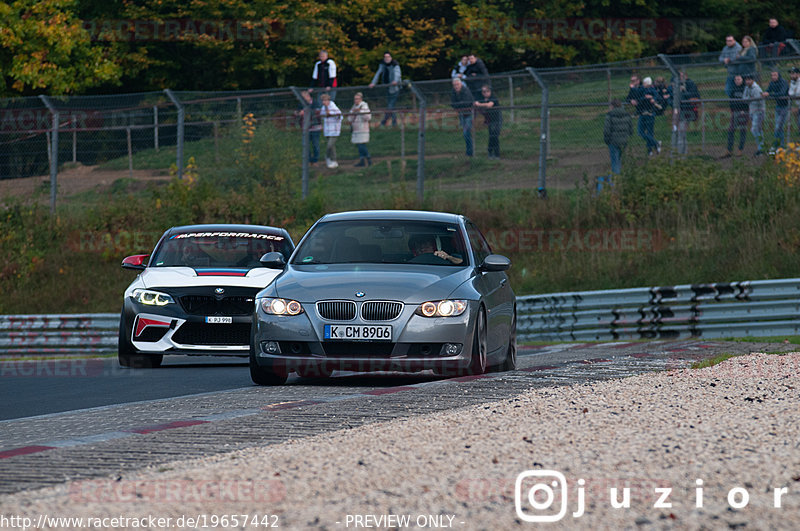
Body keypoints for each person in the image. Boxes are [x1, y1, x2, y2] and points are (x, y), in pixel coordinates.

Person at [669, 70, 701, 155]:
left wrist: (684, 91)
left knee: (681, 133)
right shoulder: (675, 82)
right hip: (677, 112)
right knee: (676, 132)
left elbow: (693, 97)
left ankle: (681, 155)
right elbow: (671, 97)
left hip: (686, 111)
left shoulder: (690, 83)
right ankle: (679, 153)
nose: (680, 77)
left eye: (682, 75)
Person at [628, 76, 662, 156]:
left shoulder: (652, 90)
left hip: (650, 114)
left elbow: (658, 97)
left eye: (645, 83)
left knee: (650, 132)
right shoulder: (641, 89)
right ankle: (656, 143)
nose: (643, 84)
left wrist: (653, 98)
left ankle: (650, 150)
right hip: (642, 113)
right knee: (640, 132)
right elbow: (633, 96)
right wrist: (631, 100)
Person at [368, 51, 402, 127]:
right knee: (391, 106)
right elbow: (378, 73)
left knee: (390, 105)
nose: (386, 58)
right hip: (387, 87)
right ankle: (394, 122)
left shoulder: (395, 65)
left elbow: (397, 73)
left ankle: (384, 122)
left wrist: (395, 81)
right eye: (385, 57)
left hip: (395, 88)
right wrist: (373, 83)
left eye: (388, 57)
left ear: (391, 57)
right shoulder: (382, 65)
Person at [603, 99, 632, 176]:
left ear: (612, 106)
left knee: (615, 161)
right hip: (624, 141)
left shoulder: (610, 115)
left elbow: (606, 130)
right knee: (619, 159)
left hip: (613, 141)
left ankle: (616, 178)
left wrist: (607, 140)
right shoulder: (627, 115)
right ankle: (622, 176)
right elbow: (630, 129)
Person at [763, 70, 790, 153]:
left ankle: (776, 145)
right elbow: (768, 89)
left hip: (785, 107)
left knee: (778, 126)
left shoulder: (784, 82)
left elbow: (782, 93)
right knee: (779, 127)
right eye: (772, 75)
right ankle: (781, 146)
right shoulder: (772, 83)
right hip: (778, 106)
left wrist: (770, 94)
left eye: (775, 75)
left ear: (778, 75)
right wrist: (766, 92)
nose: (773, 77)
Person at [474, 85, 502, 159]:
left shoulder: (493, 98)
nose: (485, 93)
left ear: (490, 91)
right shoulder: (482, 99)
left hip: (497, 119)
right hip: (490, 120)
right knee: (491, 136)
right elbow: (475, 103)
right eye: (483, 92)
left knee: (495, 136)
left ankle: (496, 154)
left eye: (487, 91)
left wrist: (479, 104)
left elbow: (489, 105)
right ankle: (490, 152)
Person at [295, 90, 322, 165]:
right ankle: (309, 160)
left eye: (303, 98)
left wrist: (306, 111)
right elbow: (296, 112)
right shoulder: (301, 104)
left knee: (315, 144)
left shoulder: (315, 103)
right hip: (306, 128)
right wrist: (298, 113)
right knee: (306, 145)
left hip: (315, 127)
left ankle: (315, 160)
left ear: (307, 96)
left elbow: (317, 112)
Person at [724, 75, 748, 157]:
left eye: (739, 79)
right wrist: (732, 110)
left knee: (742, 131)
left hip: (743, 112)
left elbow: (747, 101)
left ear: (742, 80)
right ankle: (729, 150)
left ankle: (740, 150)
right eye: (736, 79)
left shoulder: (745, 88)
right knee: (731, 130)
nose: (737, 81)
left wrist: (744, 110)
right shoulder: (733, 89)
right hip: (735, 112)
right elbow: (731, 101)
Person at [450, 78, 475, 158]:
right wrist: (459, 105)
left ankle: (470, 152)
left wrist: (459, 105)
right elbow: (453, 104)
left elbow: (467, 103)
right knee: (465, 134)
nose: (456, 86)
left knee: (466, 133)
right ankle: (469, 151)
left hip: (468, 114)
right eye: (454, 85)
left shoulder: (465, 91)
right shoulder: (453, 92)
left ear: (461, 84)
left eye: (457, 84)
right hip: (461, 114)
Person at [743, 74, 766, 156]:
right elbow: (744, 99)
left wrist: (750, 99)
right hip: (752, 111)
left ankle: (761, 148)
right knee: (758, 130)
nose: (747, 81)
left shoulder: (756, 88)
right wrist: (751, 99)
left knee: (754, 130)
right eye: (746, 80)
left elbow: (759, 101)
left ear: (752, 80)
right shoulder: (746, 88)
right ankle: (761, 148)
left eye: (749, 80)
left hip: (759, 111)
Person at [348, 92, 372, 167]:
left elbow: (368, 117)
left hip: (363, 128)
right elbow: (349, 118)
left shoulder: (364, 106)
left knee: (362, 145)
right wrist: (353, 113)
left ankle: (368, 159)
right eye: (355, 99)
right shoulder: (353, 107)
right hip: (356, 129)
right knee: (359, 145)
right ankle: (362, 161)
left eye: (357, 99)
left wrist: (360, 111)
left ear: (361, 99)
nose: (356, 100)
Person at [319, 93, 342, 168]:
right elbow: (322, 116)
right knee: (332, 147)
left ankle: (327, 157)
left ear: (328, 100)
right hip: (327, 130)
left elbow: (339, 116)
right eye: (322, 100)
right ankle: (334, 161)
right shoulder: (323, 108)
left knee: (329, 145)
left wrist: (330, 114)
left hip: (334, 130)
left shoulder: (333, 106)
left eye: (325, 100)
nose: (323, 102)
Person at [789, 67, 800, 136]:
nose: (791, 75)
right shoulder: (792, 82)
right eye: (791, 74)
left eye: (793, 73)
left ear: (798, 74)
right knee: (798, 123)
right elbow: (790, 93)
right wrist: (795, 92)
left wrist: (795, 92)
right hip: (798, 106)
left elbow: (798, 93)